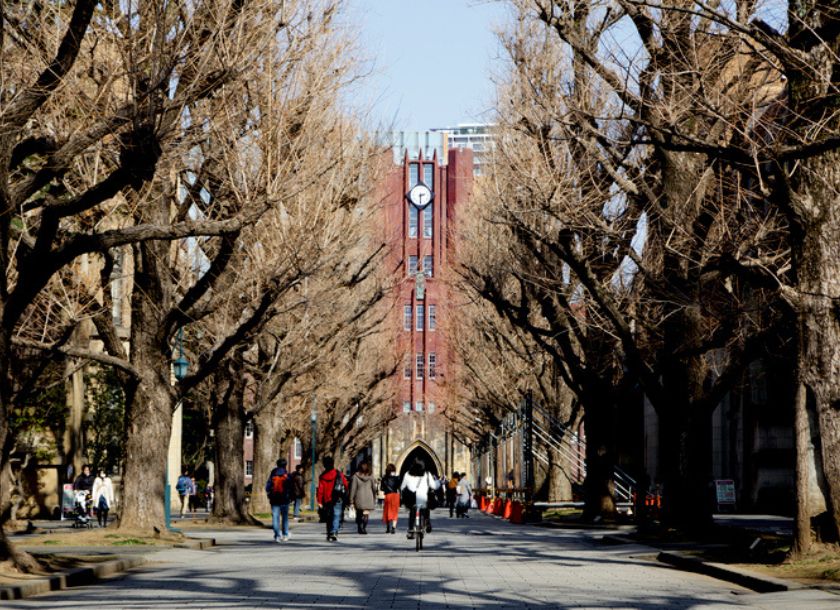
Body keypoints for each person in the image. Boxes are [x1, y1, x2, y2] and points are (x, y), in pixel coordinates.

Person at [400, 458, 441, 540]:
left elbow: (402, 487)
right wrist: (439, 482)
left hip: (411, 499)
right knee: (426, 507)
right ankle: (427, 522)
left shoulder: (407, 474)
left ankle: (411, 529)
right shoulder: (427, 474)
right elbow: (434, 486)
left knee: (412, 511)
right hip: (423, 498)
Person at [316, 456, 348, 542]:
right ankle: (334, 532)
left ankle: (329, 533)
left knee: (328, 517)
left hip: (327, 499)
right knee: (336, 515)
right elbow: (345, 484)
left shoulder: (322, 476)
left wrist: (319, 501)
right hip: (337, 497)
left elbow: (320, 489)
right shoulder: (338, 474)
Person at [265, 458, 292, 542]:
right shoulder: (287, 475)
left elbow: (267, 487)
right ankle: (285, 534)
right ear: (285, 465)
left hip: (274, 499)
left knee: (275, 517)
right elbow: (290, 487)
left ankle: (277, 535)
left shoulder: (273, 474)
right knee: (285, 518)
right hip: (284, 499)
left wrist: (270, 494)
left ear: (277, 465)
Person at [349, 462, 376, 534]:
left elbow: (353, 488)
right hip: (368, 497)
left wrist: (351, 499)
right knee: (366, 514)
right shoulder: (371, 476)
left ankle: (359, 527)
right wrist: (374, 496)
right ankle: (363, 528)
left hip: (359, 497)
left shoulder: (355, 476)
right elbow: (374, 487)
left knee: (359, 513)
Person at [380, 463, 400, 534]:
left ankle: (388, 527)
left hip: (388, 495)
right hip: (395, 495)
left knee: (387, 511)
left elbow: (381, 488)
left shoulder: (384, 478)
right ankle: (393, 527)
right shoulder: (397, 478)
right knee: (395, 512)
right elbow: (398, 486)